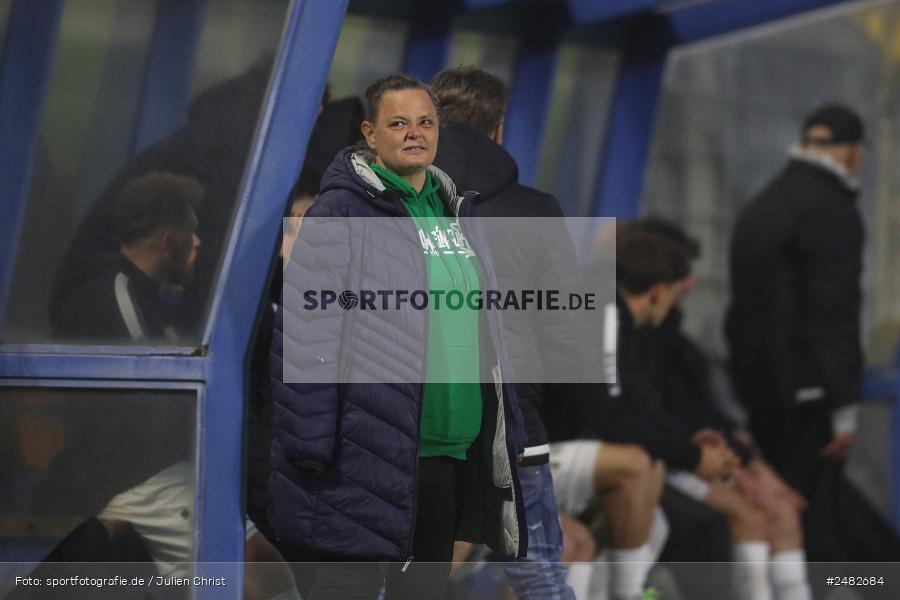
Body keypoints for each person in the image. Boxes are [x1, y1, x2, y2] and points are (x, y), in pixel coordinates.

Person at [269, 73, 527, 600]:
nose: (415, 133)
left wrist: (504, 431)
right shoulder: (339, 212)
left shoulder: (458, 211)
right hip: (369, 446)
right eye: (399, 122)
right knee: (349, 585)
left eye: (426, 121)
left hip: (451, 449)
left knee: (424, 590)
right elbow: (308, 332)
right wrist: (310, 446)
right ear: (370, 132)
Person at [726, 104, 900, 565]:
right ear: (851, 152)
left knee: (803, 507)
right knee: (810, 517)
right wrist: (842, 404)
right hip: (811, 393)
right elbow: (832, 313)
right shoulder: (832, 211)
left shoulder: (765, 204)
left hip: (761, 391)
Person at [430, 65, 579, 600]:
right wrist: (534, 411)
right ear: (498, 129)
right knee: (538, 574)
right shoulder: (537, 212)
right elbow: (565, 335)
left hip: (415, 426)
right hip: (512, 424)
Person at [637, 218, 813, 600]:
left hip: (687, 452)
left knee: (781, 509)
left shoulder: (675, 340)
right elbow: (645, 419)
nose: (692, 284)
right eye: (684, 273)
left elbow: (699, 411)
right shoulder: (633, 341)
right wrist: (718, 459)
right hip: (662, 459)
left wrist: (749, 463)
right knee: (750, 512)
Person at [52, 172, 203, 342]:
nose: (197, 241)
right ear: (168, 241)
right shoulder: (114, 302)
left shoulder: (152, 299)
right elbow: (144, 366)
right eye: (190, 232)